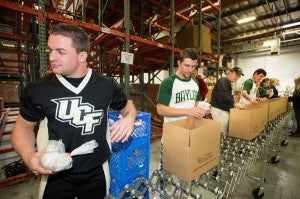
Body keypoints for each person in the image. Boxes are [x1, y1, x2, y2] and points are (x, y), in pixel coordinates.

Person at [10, 23, 137, 199]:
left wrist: (129, 118)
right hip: (55, 173)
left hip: (97, 170)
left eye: (61, 52)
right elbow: (23, 127)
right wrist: (29, 156)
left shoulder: (106, 85)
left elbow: (127, 106)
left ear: (82, 56)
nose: (52, 57)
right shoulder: (38, 90)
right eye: (50, 50)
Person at [156, 48, 207, 122]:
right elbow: (160, 110)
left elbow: (196, 102)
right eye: (187, 66)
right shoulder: (168, 83)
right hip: (174, 128)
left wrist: (202, 107)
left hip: (190, 125)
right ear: (179, 63)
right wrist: (187, 111)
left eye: (193, 66)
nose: (190, 70)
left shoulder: (195, 82)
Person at [210, 67, 245, 134]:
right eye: (236, 75)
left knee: (224, 130)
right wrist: (235, 104)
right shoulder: (223, 81)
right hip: (219, 110)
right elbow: (224, 96)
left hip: (223, 109)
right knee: (221, 131)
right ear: (231, 72)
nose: (237, 77)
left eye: (239, 76)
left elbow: (228, 96)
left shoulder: (228, 82)